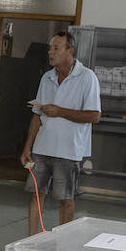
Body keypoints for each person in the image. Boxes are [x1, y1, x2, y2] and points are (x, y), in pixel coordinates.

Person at [18, 30, 101, 234]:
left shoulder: (87, 77)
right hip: (42, 148)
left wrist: (59, 111)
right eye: (50, 48)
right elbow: (36, 115)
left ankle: (63, 242)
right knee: (36, 194)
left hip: (68, 150)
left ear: (70, 51)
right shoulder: (47, 77)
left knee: (65, 198)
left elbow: (94, 116)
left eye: (56, 48)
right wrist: (28, 147)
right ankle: (31, 239)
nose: (50, 52)